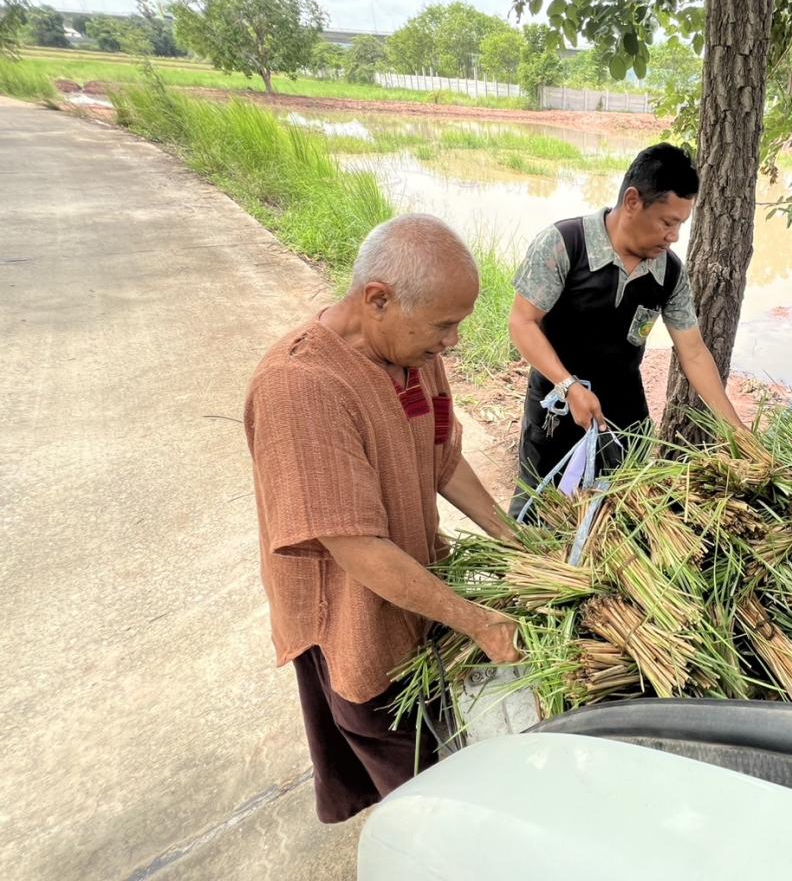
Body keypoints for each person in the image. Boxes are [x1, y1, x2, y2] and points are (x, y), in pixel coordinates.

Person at [244, 214, 520, 824]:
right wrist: (478, 621)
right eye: (445, 324)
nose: (452, 341)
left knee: (430, 734)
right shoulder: (301, 385)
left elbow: (442, 459)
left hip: (414, 585)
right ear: (378, 299)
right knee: (403, 764)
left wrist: (511, 535)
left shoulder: (413, 352)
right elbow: (359, 548)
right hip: (352, 609)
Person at [508, 142, 747, 513]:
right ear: (633, 201)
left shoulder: (669, 273)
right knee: (539, 516)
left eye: (681, 224)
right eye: (668, 222)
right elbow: (522, 323)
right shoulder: (565, 244)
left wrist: (736, 429)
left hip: (623, 412)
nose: (674, 237)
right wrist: (568, 386)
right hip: (557, 407)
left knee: (622, 519)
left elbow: (694, 352)